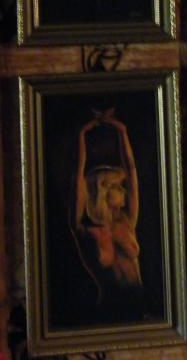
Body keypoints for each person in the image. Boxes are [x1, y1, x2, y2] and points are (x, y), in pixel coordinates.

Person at [70, 113, 143, 316]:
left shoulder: (127, 220)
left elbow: (132, 171)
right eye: (117, 186)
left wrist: (122, 132)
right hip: (109, 309)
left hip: (139, 305)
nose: (124, 190)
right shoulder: (85, 230)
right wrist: (81, 136)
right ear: (102, 191)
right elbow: (78, 179)